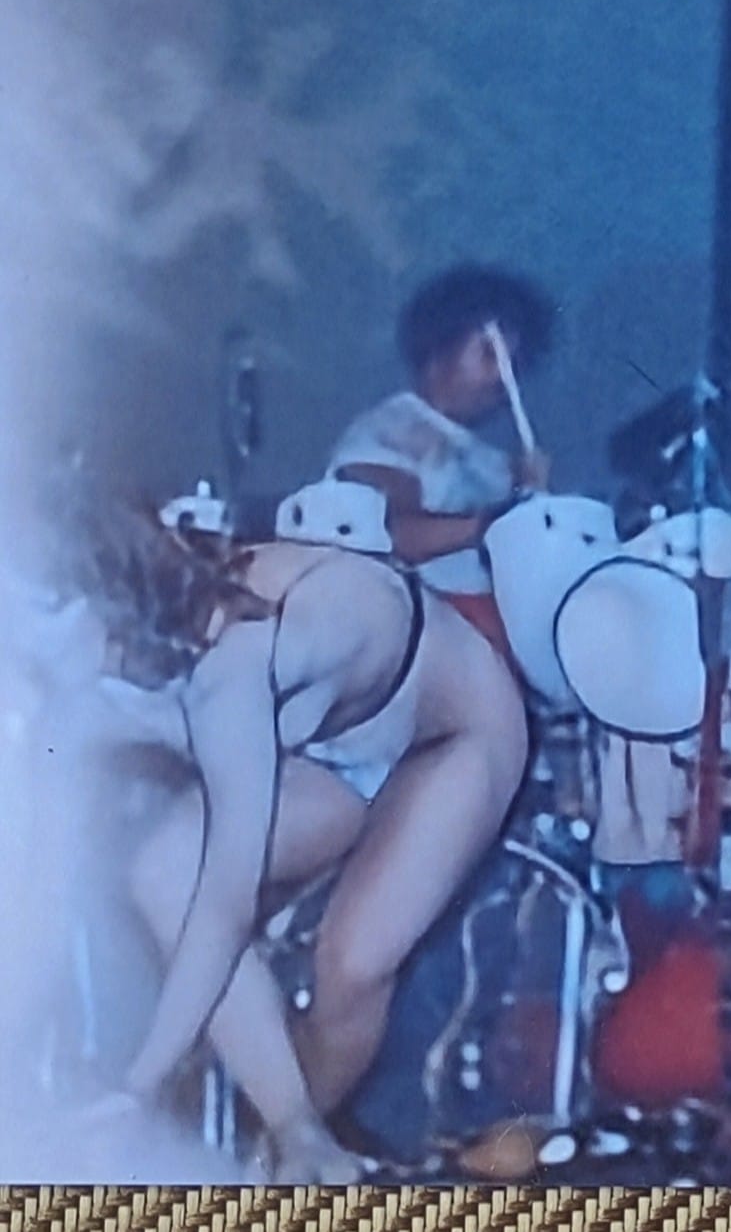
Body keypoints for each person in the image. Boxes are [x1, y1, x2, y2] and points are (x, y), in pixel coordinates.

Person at [66, 491, 528, 1182]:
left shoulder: (251, 660)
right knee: (162, 871)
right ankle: (297, 1141)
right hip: (329, 747)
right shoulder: (182, 648)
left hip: (453, 733)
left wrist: (137, 1083)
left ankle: (291, 1148)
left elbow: (224, 903)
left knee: (351, 965)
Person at [330, 264, 556, 655]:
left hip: (504, 636)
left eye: (514, 367)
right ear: (438, 349)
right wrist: (492, 524)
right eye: (490, 356)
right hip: (421, 643)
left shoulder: (495, 462)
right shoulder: (389, 432)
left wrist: (530, 501)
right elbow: (388, 533)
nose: (504, 380)